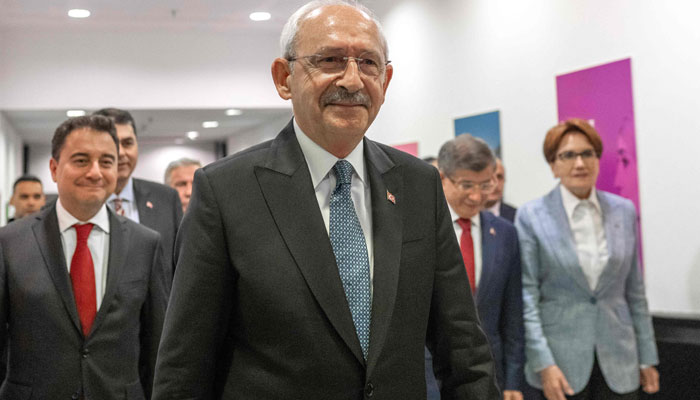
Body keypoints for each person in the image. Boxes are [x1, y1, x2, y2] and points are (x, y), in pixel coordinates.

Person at [152, 1, 499, 399]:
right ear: (284, 77)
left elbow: (464, 350)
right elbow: (184, 366)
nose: (352, 80)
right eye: (330, 60)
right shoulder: (225, 192)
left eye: (368, 63)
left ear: (385, 81)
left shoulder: (418, 184)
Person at [0, 115, 168, 399]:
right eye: (80, 160)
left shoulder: (146, 243)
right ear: (54, 169)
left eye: (106, 162)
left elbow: (156, 347)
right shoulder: (10, 243)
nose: (95, 172)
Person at [515, 118, 659, 400]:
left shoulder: (623, 210)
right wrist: (543, 362)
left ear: (597, 159)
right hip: (560, 364)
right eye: (568, 155)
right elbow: (527, 296)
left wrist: (647, 357)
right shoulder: (532, 216)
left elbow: (635, 292)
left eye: (587, 153)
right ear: (553, 165)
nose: (579, 163)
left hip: (620, 360)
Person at [425, 135, 524, 400]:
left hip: (489, 376)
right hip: (430, 375)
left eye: (486, 185)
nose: (477, 196)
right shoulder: (421, 228)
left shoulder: (505, 233)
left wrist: (513, 381)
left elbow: (512, 315)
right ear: (441, 177)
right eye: (467, 185)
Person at [92, 108, 182, 284]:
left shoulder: (166, 198)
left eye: (128, 143)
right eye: (113, 143)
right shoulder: (82, 201)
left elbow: (180, 264)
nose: (122, 153)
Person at [483, 158, 516, 223]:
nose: (495, 184)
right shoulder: (464, 215)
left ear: (504, 180)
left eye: (499, 177)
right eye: (488, 177)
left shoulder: (517, 217)